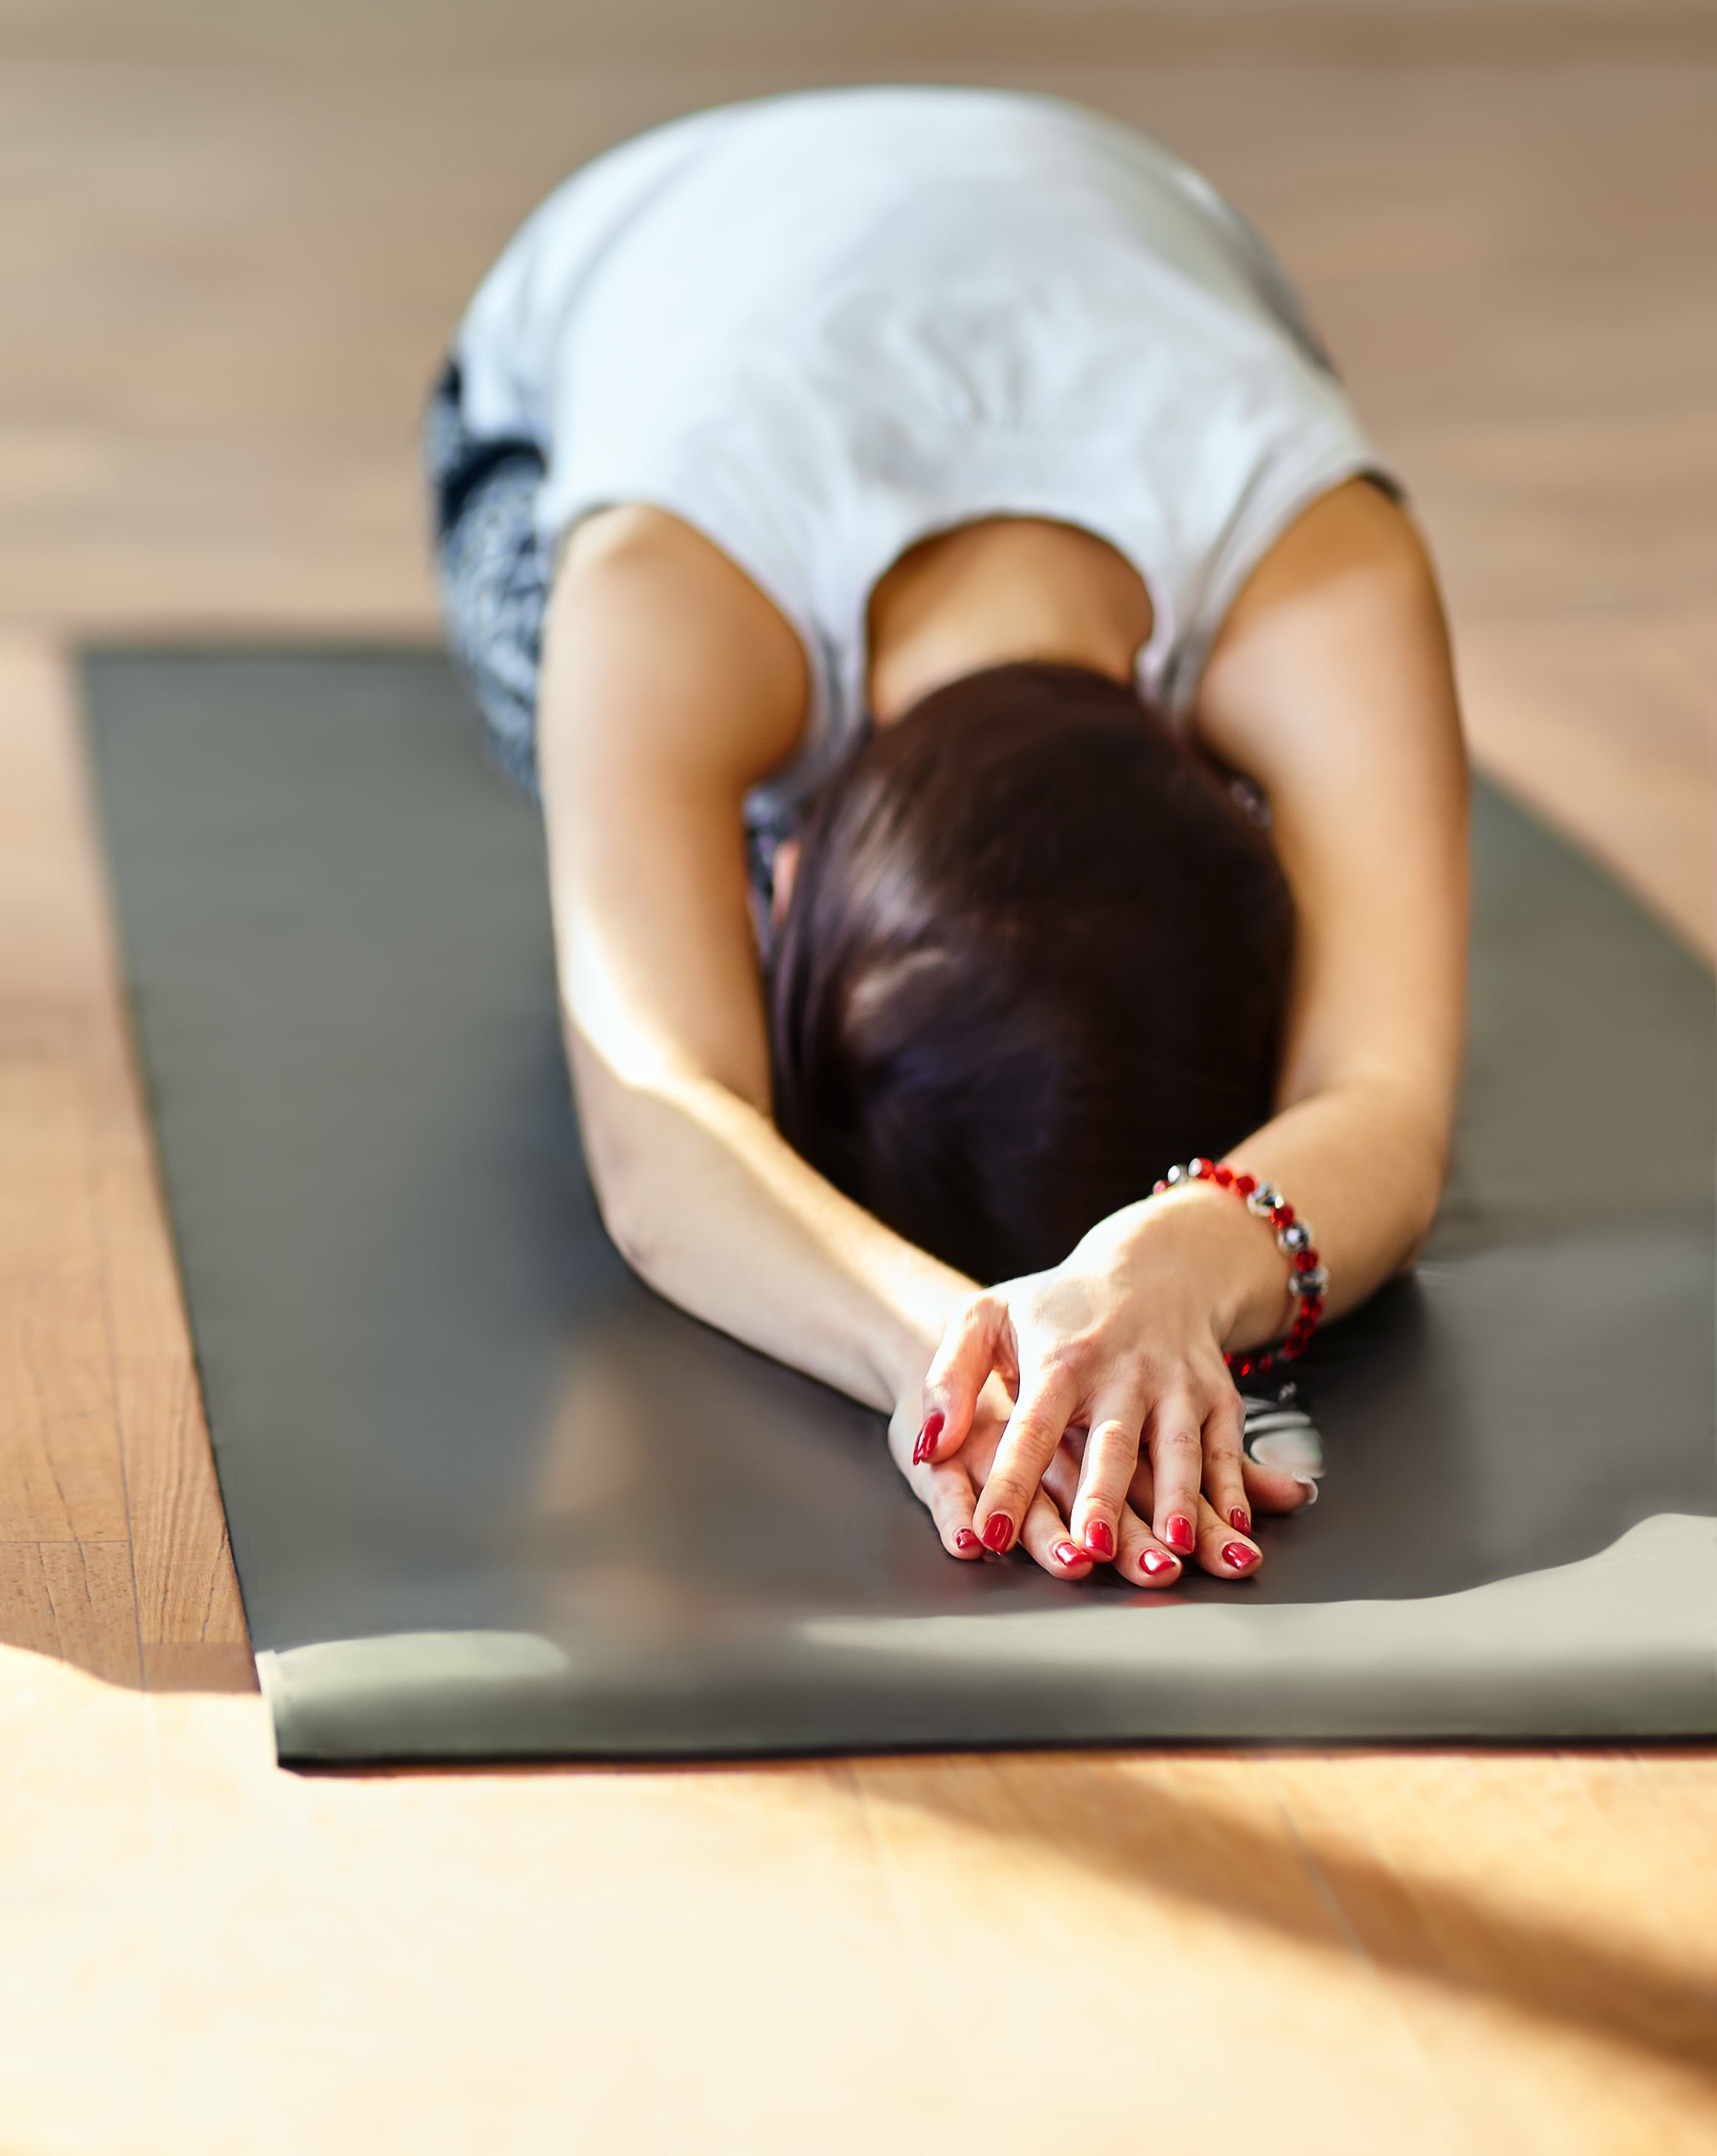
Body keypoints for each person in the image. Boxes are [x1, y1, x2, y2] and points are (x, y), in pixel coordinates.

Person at [426, 87, 1464, 1588]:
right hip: (624, 238)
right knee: (580, 723)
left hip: (1106, 187)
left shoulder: (1328, 577)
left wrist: (1164, 1266)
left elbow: (1383, 1090)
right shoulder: (662, 585)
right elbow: (659, 1121)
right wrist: (943, 1357)